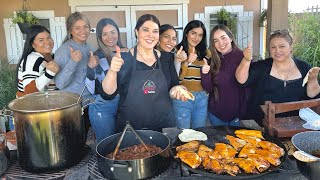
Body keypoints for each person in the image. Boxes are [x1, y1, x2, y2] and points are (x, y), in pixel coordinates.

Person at [102, 14, 183, 132]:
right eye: (145, 30)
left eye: (155, 31)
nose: (151, 35)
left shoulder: (166, 58)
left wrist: (179, 90)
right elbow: (108, 94)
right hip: (130, 127)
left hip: (160, 125)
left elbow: (173, 87)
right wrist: (112, 71)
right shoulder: (123, 58)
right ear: (136, 32)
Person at [235, 29, 320, 126]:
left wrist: (312, 80)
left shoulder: (304, 67)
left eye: (282, 46)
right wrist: (246, 60)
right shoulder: (262, 66)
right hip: (262, 126)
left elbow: (312, 95)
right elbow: (241, 80)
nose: (277, 50)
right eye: (273, 47)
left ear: (291, 47)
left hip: (295, 126)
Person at [54, 12, 98, 134]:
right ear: (70, 30)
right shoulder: (63, 51)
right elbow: (60, 84)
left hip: (89, 102)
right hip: (73, 106)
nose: (82, 31)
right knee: (74, 144)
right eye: (77, 28)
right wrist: (73, 61)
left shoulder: (89, 46)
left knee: (83, 142)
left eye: (85, 26)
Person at [201, 24, 251, 127]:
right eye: (216, 40)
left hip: (237, 114)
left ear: (231, 38)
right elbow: (208, 88)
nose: (220, 43)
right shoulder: (212, 60)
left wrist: (243, 112)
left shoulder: (243, 57)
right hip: (216, 113)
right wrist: (205, 74)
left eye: (223, 38)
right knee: (220, 142)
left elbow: (249, 87)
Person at [86, 18, 127, 142]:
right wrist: (89, 68)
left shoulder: (126, 52)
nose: (110, 37)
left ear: (118, 33)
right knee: (107, 145)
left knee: (124, 144)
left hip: (124, 104)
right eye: (105, 34)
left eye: (113, 32)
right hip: (103, 106)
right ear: (100, 37)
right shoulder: (96, 57)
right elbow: (90, 88)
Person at [172, 20, 211, 129]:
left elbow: (210, 77)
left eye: (200, 35)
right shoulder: (177, 51)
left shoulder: (206, 53)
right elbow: (175, 81)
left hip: (201, 98)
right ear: (186, 33)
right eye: (193, 33)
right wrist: (186, 62)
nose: (196, 38)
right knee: (183, 134)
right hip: (182, 97)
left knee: (199, 133)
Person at [16, 25, 59, 98]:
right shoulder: (32, 59)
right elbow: (29, 90)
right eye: (41, 40)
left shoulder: (53, 56)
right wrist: (49, 73)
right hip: (30, 106)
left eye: (48, 38)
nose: (47, 42)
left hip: (48, 102)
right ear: (33, 44)